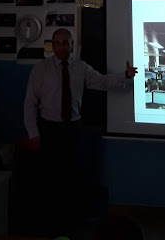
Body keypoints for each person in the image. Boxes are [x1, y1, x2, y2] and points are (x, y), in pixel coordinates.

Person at [23, 28, 137, 233]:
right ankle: (49, 225)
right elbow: (30, 103)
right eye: (57, 43)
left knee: (72, 178)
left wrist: (125, 76)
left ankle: (70, 224)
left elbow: (102, 82)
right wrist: (33, 134)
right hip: (48, 129)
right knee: (49, 179)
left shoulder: (80, 68)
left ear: (72, 45)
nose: (61, 47)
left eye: (65, 43)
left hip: (72, 129)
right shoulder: (41, 69)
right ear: (52, 45)